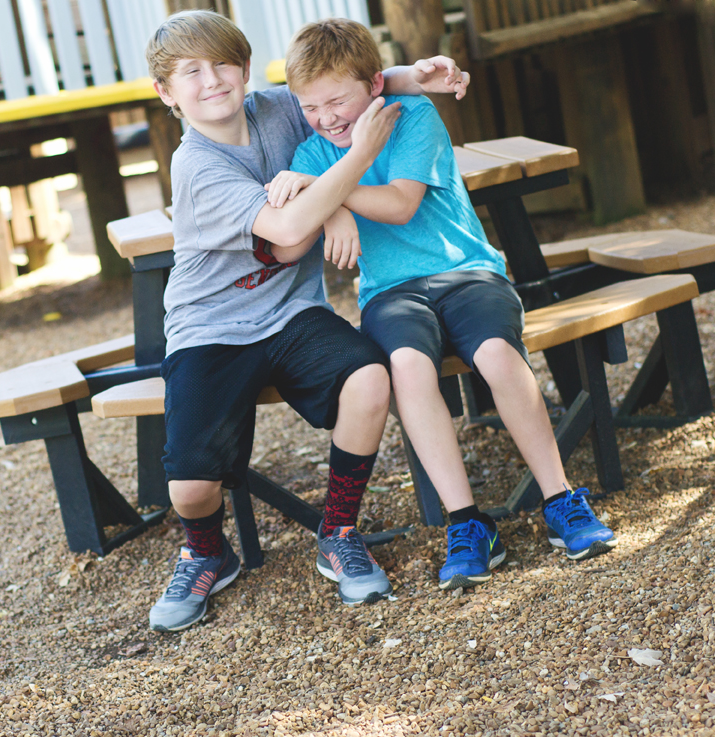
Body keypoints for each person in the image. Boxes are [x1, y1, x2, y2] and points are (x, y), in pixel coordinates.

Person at [143, 10, 470, 631]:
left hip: (293, 311)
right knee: (189, 488)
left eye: (223, 65)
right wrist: (349, 176)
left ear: (245, 70)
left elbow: (340, 94)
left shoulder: (275, 108)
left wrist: (415, 76)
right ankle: (205, 551)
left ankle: (338, 529)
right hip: (211, 325)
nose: (211, 81)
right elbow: (291, 229)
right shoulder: (194, 166)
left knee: (370, 378)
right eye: (191, 72)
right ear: (167, 93)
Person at [278, 18, 616, 592]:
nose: (327, 117)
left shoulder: (411, 118)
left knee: (498, 357)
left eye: (338, 100)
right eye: (311, 107)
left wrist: (323, 190)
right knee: (407, 368)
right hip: (390, 293)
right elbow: (291, 227)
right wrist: (323, 195)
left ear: (374, 85)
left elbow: (401, 204)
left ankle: (561, 499)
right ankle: (468, 523)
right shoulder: (310, 152)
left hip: (467, 273)